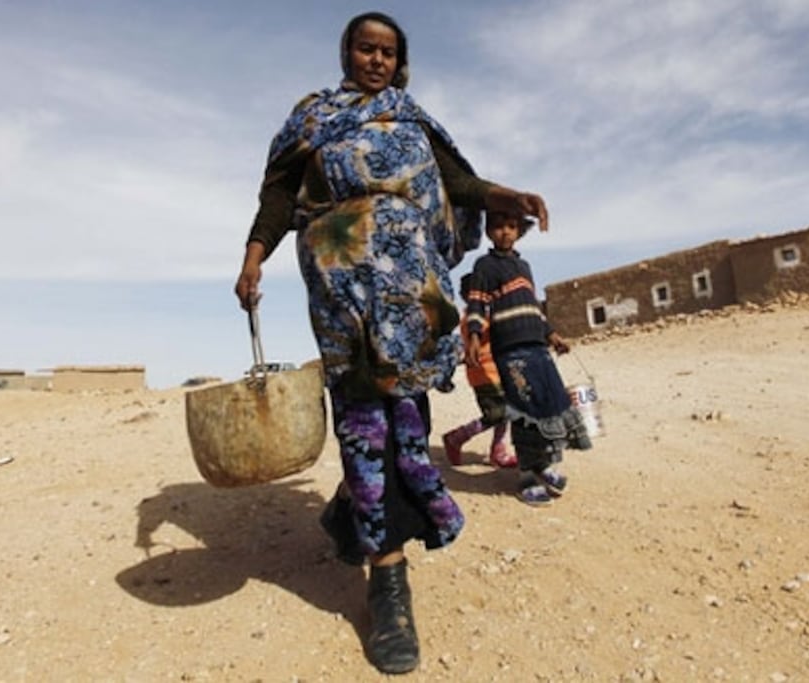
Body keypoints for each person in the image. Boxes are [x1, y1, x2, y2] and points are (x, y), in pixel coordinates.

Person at [233, 12, 548, 675]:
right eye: (365, 48)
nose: (376, 60)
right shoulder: (312, 119)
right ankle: (389, 577)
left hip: (413, 293)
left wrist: (507, 193)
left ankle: (368, 523)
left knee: (402, 418)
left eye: (388, 52)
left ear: (399, 61)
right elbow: (279, 195)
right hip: (341, 289)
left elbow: (458, 185)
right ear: (346, 51)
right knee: (360, 420)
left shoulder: (412, 119)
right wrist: (254, 256)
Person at [465, 210, 592, 507]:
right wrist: (472, 336)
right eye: (499, 226)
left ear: (519, 232)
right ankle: (525, 475)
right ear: (489, 233)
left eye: (511, 226)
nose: (505, 232)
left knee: (550, 405)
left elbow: (533, 307)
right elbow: (476, 304)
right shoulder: (484, 265)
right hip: (510, 350)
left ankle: (544, 465)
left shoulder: (524, 266)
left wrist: (552, 335)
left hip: (537, 347)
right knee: (525, 411)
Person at [441, 274, 518, 469]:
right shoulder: (472, 319)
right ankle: (457, 437)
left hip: (499, 370)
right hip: (483, 374)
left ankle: (498, 450)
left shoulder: (486, 314)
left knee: (507, 411)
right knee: (496, 414)